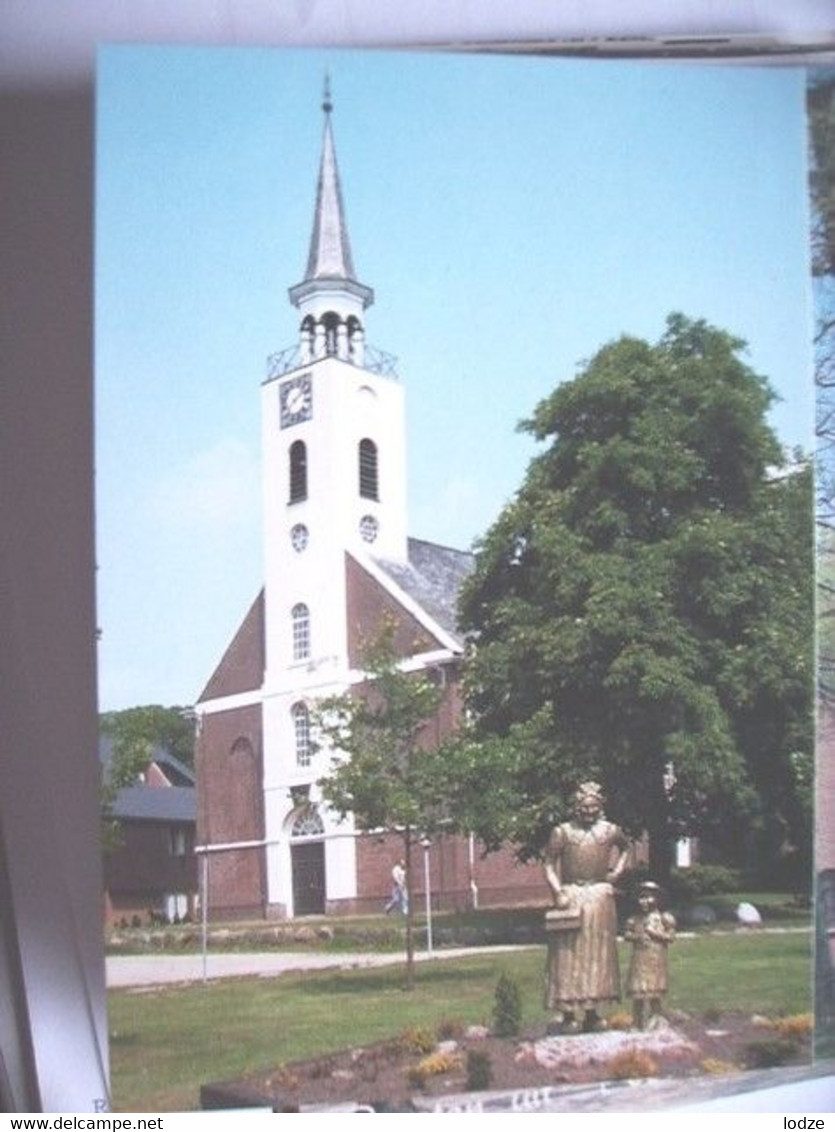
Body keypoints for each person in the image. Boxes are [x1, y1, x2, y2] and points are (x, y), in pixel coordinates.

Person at [543, 781, 630, 1033]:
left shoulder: (610, 830)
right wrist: (558, 891)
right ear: (576, 807)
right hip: (571, 895)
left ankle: (593, 1011)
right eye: (584, 807)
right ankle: (568, 1012)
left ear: (600, 807)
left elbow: (626, 848)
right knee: (568, 956)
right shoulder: (562, 832)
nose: (589, 811)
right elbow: (548, 863)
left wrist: (617, 872)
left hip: (600, 896)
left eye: (593, 807)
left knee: (598, 955)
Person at [625, 881, 676, 1028]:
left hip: (655, 957)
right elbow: (627, 934)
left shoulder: (664, 918)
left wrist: (655, 933)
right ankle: (637, 1020)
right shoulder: (635, 919)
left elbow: (670, 937)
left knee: (654, 988)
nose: (644, 901)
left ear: (657, 898)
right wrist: (637, 936)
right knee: (638, 989)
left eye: (648, 897)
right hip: (639, 957)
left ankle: (656, 1017)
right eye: (641, 897)